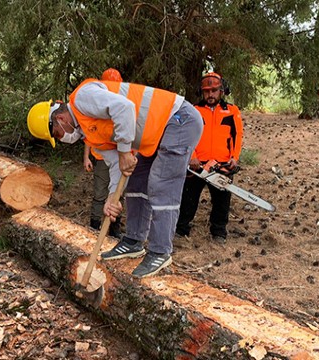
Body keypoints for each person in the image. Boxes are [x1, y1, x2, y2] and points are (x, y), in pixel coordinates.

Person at [27, 78, 203, 278]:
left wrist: (125, 151)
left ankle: (160, 251)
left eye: (57, 135)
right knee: (136, 182)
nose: (62, 138)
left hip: (179, 119)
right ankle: (133, 241)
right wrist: (112, 197)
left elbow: (124, 108)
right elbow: (117, 166)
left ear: (58, 119)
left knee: (161, 184)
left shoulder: (83, 98)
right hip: (155, 136)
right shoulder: (89, 135)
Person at [175, 72, 243, 244]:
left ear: (221, 91)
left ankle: (219, 231)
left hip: (222, 165)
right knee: (188, 198)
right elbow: (186, 136)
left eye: (214, 91)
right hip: (197, 166)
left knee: (222, 201)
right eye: (207, 91)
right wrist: (192, 156)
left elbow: (237, 136)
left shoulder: (231, 111)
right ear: (202, 92)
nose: (210, 95)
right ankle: (181, 228)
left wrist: (234, 158)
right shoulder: (194, 111)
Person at [83, 68, 123, 237]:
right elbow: (88, 134)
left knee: (118, 194)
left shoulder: (122, 103)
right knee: (100, 193)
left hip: (119, 157)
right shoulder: (97, 105)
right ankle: (94, 226)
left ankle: (114, 229)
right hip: (101, 157)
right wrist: (86, 157)